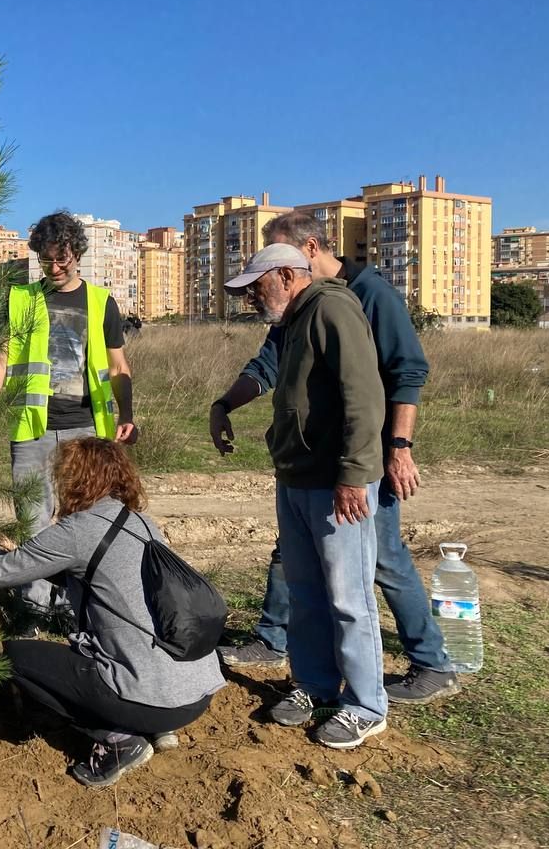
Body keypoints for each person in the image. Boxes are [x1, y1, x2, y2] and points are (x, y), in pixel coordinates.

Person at [211, 211, 458, 705]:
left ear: (307, 251)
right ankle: (279, 643)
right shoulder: (297, 309)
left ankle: (430, 661)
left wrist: (398, 450)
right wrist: (224, 404)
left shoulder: (368, 296)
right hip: (312, 463)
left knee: (381, 560)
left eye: (278, 253)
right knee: (297, 557)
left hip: (363, 455)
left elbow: (403, 374)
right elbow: (269, 363)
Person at [0, 437, 224, 787]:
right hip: (196, 694)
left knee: (17, 656)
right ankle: (157, 729)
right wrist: (27, 557)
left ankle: (121, 741)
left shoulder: (77, 531)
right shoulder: (142, 523)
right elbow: (103, 577)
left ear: (75, 480)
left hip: (151, 698)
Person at [224, 243, 388, 749]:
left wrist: (354, 475)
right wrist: (222, 405)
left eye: (258, 285)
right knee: (306, 592)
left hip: (336, 481)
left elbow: (364, 394)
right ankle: (315, 685)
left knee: (348, 597)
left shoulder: (333, 309)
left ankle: (365, 705)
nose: (252, 296)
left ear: (289, 276)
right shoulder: (292, 321)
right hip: (295, 478)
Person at [0, 211, 137, 620]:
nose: (56, 266)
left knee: (87, 522)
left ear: (77, 252)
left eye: (63, 257)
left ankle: (80, 607)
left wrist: (128, 412)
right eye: (48, 259)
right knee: (32, 524)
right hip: (33, 428)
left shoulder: (101, 302)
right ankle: (35, 608)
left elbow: (118, 366)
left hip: (88, 430)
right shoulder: (20, 300)